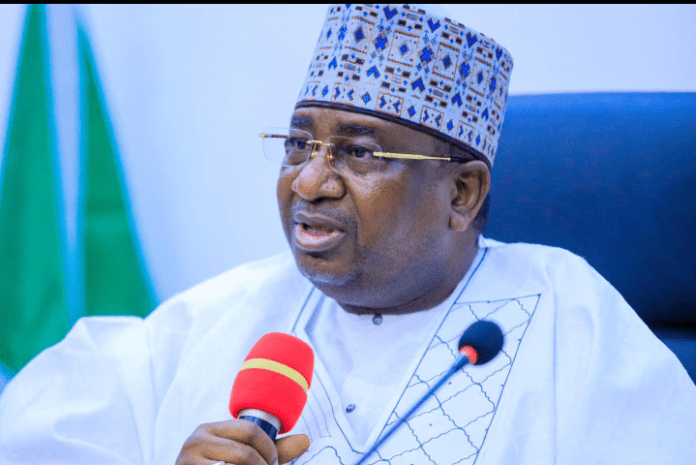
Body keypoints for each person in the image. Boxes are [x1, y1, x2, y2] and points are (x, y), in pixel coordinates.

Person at [1, 4, 695, 465]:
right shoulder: (206, 323)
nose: (309, 182)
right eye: (298, 146)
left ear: (461, 193)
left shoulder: (571, 317)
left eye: (358, 154)